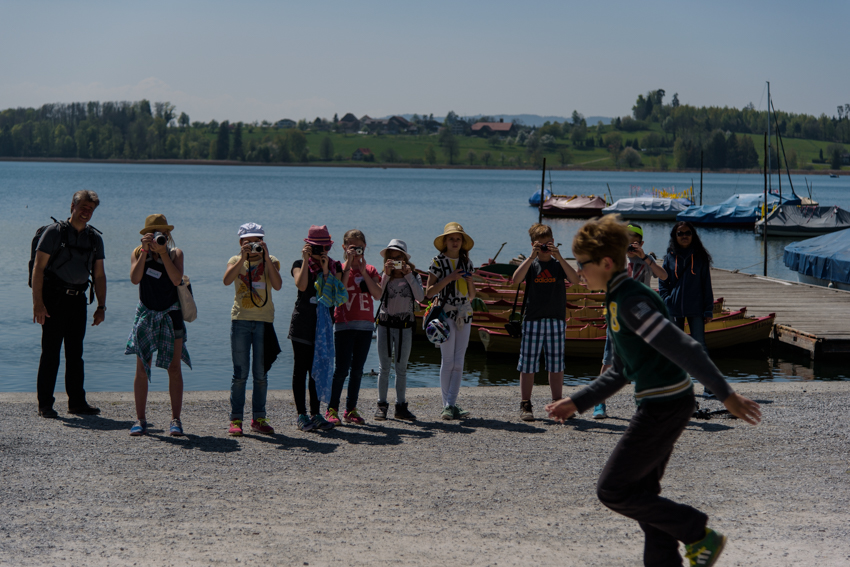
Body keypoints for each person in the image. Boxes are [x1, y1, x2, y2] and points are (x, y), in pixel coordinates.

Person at [546, 215, 761, 567]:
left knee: (612, 490)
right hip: (664, 403)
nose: (579, 273)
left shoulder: (631, 301)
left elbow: (687, 347)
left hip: (665, 406)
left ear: (605, 263)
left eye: (581, 265)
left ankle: (696, 531)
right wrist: (576, 401)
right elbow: (621, 370)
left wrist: (727, 395)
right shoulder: (616, 298)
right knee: (645, 498)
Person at [32, 190, 106, 418]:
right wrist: (38, 304)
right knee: (51, 353)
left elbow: (100, 275)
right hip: (53, 299)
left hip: (78, 301)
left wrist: (101, 306)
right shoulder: (54, 233)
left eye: (91, 209)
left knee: (76, 354)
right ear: (72, 206)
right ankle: (45, 404)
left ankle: (77, 402)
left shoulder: (95, 239)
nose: (86, 212)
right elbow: (38, 268)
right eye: (83, 207)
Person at [594, 222, 668, 419]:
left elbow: (664, 276)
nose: (629, 244)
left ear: (641, 242)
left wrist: (645, 257)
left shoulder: (647, 260)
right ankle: (599, 403)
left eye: (633, 241)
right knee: (608, 360)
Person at [125, 214, 191, 436]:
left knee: (174, 368)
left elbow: (175, 280)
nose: (156, 239)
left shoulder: (175, 253)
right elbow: (135, 279)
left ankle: (176, 419)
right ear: (145, 236)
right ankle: (140, 419)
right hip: (146, 314)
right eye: (152, 235)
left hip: (171, 316)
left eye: (161, 234)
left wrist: (163, 254)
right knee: (142, 368)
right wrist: (145, 252)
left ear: (168, 235)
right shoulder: (138, 252)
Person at [509, 223, 579, 421]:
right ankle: (525, 403)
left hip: (556, 320)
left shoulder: (558, 265)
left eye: (548, 243)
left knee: (556, 365)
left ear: (554, 242)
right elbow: (515, 280)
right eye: (541, 244)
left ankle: (558, 402)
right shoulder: (531, 265)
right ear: (533, 245)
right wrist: (531, 256)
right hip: (533, 319)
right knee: (528, 365)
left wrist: (560, 257)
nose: (545, 247)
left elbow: (575, 280)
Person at [222, 223, 282, 436]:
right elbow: (227, 280)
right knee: (240, 374)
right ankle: (236, 419)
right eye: (249, 241)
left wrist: (265, 258)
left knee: (260, 374)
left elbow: (277, 285)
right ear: (241, 243)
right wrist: (241, 257)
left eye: (258, 241)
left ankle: (259, 418)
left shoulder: (271, 261)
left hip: (264, 321)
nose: (254, 245)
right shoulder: (235, 261)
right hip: (240, 320)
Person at [289, 225, 347, 432]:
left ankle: (316, 413)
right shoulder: (298, 264)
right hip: (303, 323)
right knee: (300, 369)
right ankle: (302, 415)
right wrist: (306, 261)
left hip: (322, 327)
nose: (320, 251)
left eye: (324, 247)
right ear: (307, 247)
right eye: (315, 247)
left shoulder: (335, 267)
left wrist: (324, 270)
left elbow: (333, 297)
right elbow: (302, 285)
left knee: (317, 370)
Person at [326, 230, 382, 426]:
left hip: (365, 326)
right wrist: (349, 264)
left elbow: (377, 294)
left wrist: (364, 270)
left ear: (365, 247)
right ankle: (331, 408)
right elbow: (338, 292)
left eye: (359, 247)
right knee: (341, 369)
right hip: (344, 324)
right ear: (344, 247)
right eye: (352, 247)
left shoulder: (372, 270)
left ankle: (350, 409)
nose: (356, 250)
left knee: (357, 370)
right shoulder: (339, 268)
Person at [658, 221, 715, 398]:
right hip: (674, 309)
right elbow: (663, 283)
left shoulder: (700, 257)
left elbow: (707, 285)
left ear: (693, 235)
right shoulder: (669, 257)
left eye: (688, 233)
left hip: (696, 309)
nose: (684, 236)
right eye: (680, 233)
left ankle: (709, 386)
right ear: (674, 236)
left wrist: (708, 310)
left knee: (700, 346)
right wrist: (666, 301)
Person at [425, 222, 476, 420]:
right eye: (451, 238)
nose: (455, 242)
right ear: (445, 241)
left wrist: (471, 282)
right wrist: (450, 278)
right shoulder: (437, 262)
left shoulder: (467, 263)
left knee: (459, 361)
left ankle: (451, 404)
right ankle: (447, 404)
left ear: (462, 242)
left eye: (458, 238)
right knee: (448, 361)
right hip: (444, 315)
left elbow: (471, 296)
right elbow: (428, 293)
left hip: (465, 313)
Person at [374, 239, 424, 421]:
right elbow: (378, 295)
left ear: (405, 259)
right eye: (391, 258)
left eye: (398, 258)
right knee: (384, 367)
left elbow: (421, 297)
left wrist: (409, 275)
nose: (395, 261)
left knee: (401, 368)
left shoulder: (414, 276)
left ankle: (401, 406)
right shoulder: (384, 276)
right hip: (385, 325)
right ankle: (381, 405)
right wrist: (386, 275)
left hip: (405, 327)